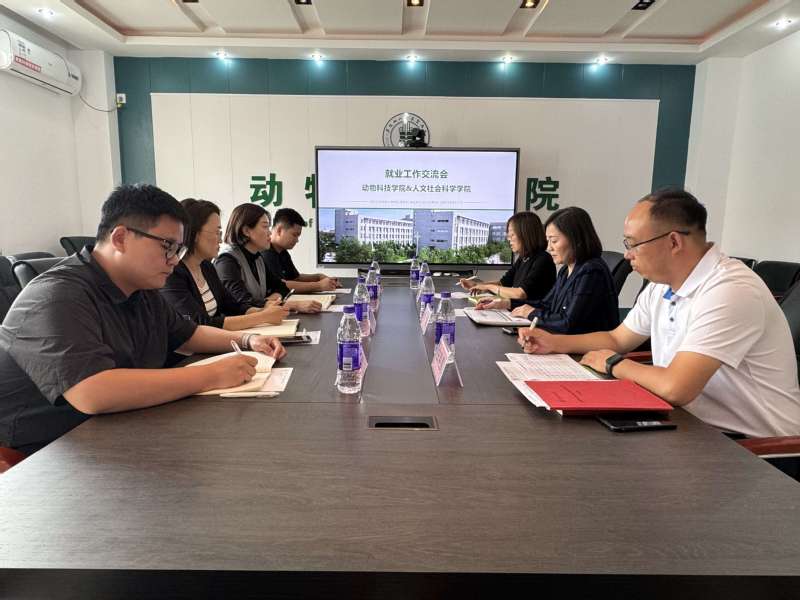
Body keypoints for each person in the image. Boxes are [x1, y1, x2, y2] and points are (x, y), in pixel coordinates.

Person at [0, 184, 286, 454]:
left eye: (178, 249)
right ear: (120, 238)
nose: (175, 259)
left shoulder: (140, 289)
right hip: (43, 452)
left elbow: (188, 333)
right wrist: (211, 375)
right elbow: (92, 392)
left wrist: (248, 340)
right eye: (168, 246)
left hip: (116, 430)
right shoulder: (56, 295)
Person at [519, 188, 800, 438]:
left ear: (673, 242)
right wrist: (553, 342)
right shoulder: (661, 286)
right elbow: (618, 339)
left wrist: (614, 364)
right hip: (688, 424)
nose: (627, 255)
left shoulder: (730, 290)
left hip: (756, 449)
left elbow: (676, 387)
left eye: (632, 244)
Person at [479, 206, 619, 334]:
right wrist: (507, 303)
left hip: (586, 350)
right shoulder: (565, 270)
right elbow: (546, 304)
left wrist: (531, 313)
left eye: (554, 241)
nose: (549, 247)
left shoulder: (591, 271)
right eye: (548, 241)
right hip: (563, 342)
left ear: (576, 239)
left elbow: (568, 323)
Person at [160, 199, 289, 330]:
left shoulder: (206, 267)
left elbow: (232, 305)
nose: (221, 240)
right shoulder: (172, 273)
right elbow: (199, 324)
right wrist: (262, 317)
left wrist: (265, 310)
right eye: (217, 232)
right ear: (195, 234)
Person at [215, 203, 321, 313]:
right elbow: (243, 302)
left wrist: (268, 302)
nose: (270, 233)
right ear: (246, 231)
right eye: (265, 227)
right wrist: (291, 305)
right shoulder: (226, 261)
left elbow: (282, 287)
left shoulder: (257, 257)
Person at [459, 212, 555, 301]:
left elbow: (521, 293)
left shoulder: (543, 259)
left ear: (526, 234)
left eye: (512, 235)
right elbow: (503, 283)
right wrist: (477, 285)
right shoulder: (524, 258)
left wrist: (487, 287)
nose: (508, 239)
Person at [262, 207, 339, 293]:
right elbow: (281, 286)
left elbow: (295, 278)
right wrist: (319, 285)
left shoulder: (282, 252)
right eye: (294, 235)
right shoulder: (266, 253)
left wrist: (318, 277)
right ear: (279, 230)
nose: (297, 240)